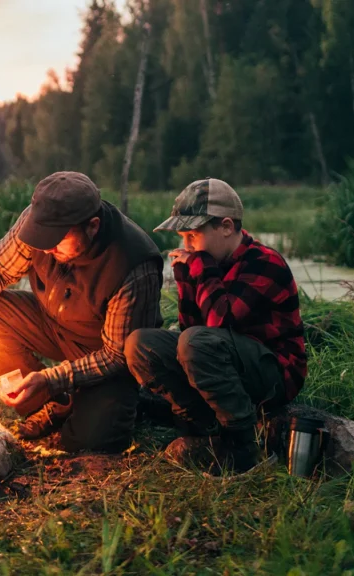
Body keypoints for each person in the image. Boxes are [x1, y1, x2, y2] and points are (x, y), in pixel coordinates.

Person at [0, 171, 163, 452]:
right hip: (53, 325)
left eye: (58, 239)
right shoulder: (39, 225)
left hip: (106, 354)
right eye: (43, 237)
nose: (47, 247)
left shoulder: (132, 264)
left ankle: (139, 402)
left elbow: (116, 356)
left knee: (90, 441)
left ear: (92, 226)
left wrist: (52, 378)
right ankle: (52, 404)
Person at [124, 178, 307, 474]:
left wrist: (199, 267)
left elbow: (219, 323)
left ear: (225, 226)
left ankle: (244, 447)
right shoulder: (208, 262)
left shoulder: (264, 262)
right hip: (227, 361)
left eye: (193, 235)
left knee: (198, 342)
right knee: (140, 344)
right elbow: (190, 329)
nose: (187, 246)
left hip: (275, 374)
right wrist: (186, 278)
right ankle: (202, 427)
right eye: (184, 237)